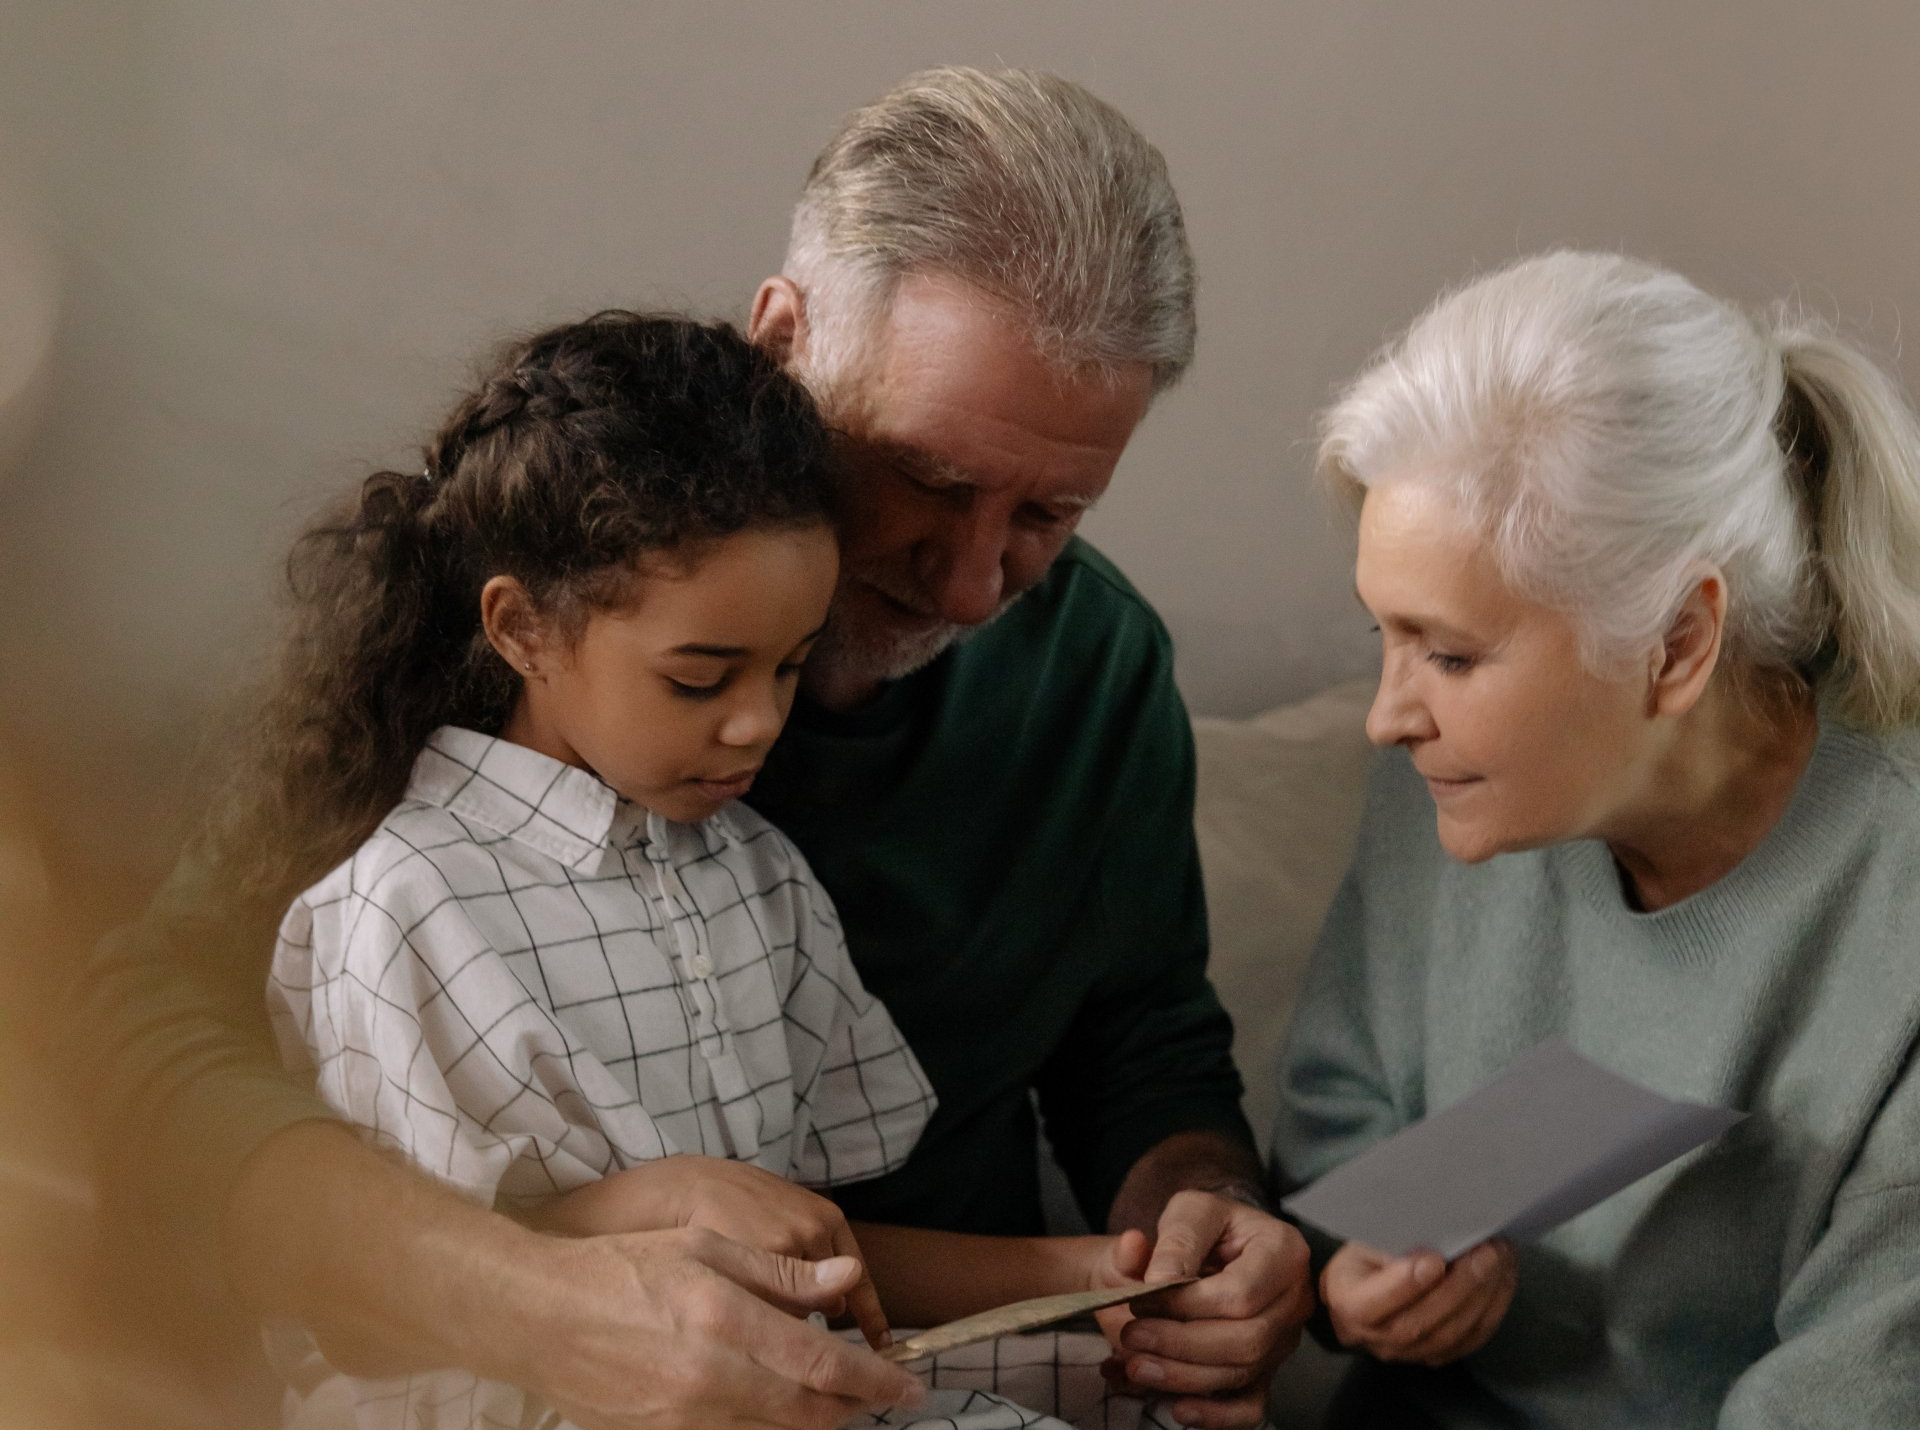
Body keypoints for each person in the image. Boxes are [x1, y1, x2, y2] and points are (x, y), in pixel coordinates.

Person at [75, 69, 1311, 1430]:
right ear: (783, 338)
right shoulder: (516, 640)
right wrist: (538, 1303)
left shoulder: (1094, 666)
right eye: (931, 478)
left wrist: (1207, 1230)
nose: (972, 582)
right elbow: (146, 1034)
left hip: (947, 1358)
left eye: (1050, 511)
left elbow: (1141, 1049)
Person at [253, 310, 1196, 1430]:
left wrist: (1119, 1273)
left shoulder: (757, 871)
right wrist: (628, 1212)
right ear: (522, 628)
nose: (757, 725)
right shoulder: (403, 904)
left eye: (792, 668)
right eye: (702, 679)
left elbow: (813, 1261)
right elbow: (375, 1300)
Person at [1272, 249, 1920, 1427]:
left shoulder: (1897, 912)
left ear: (1677, 641)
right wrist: (1350, 1269)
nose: (1387, 715)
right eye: (1385, 635)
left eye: (1451, 654)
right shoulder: (1443, 789)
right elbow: (1331, 1134)